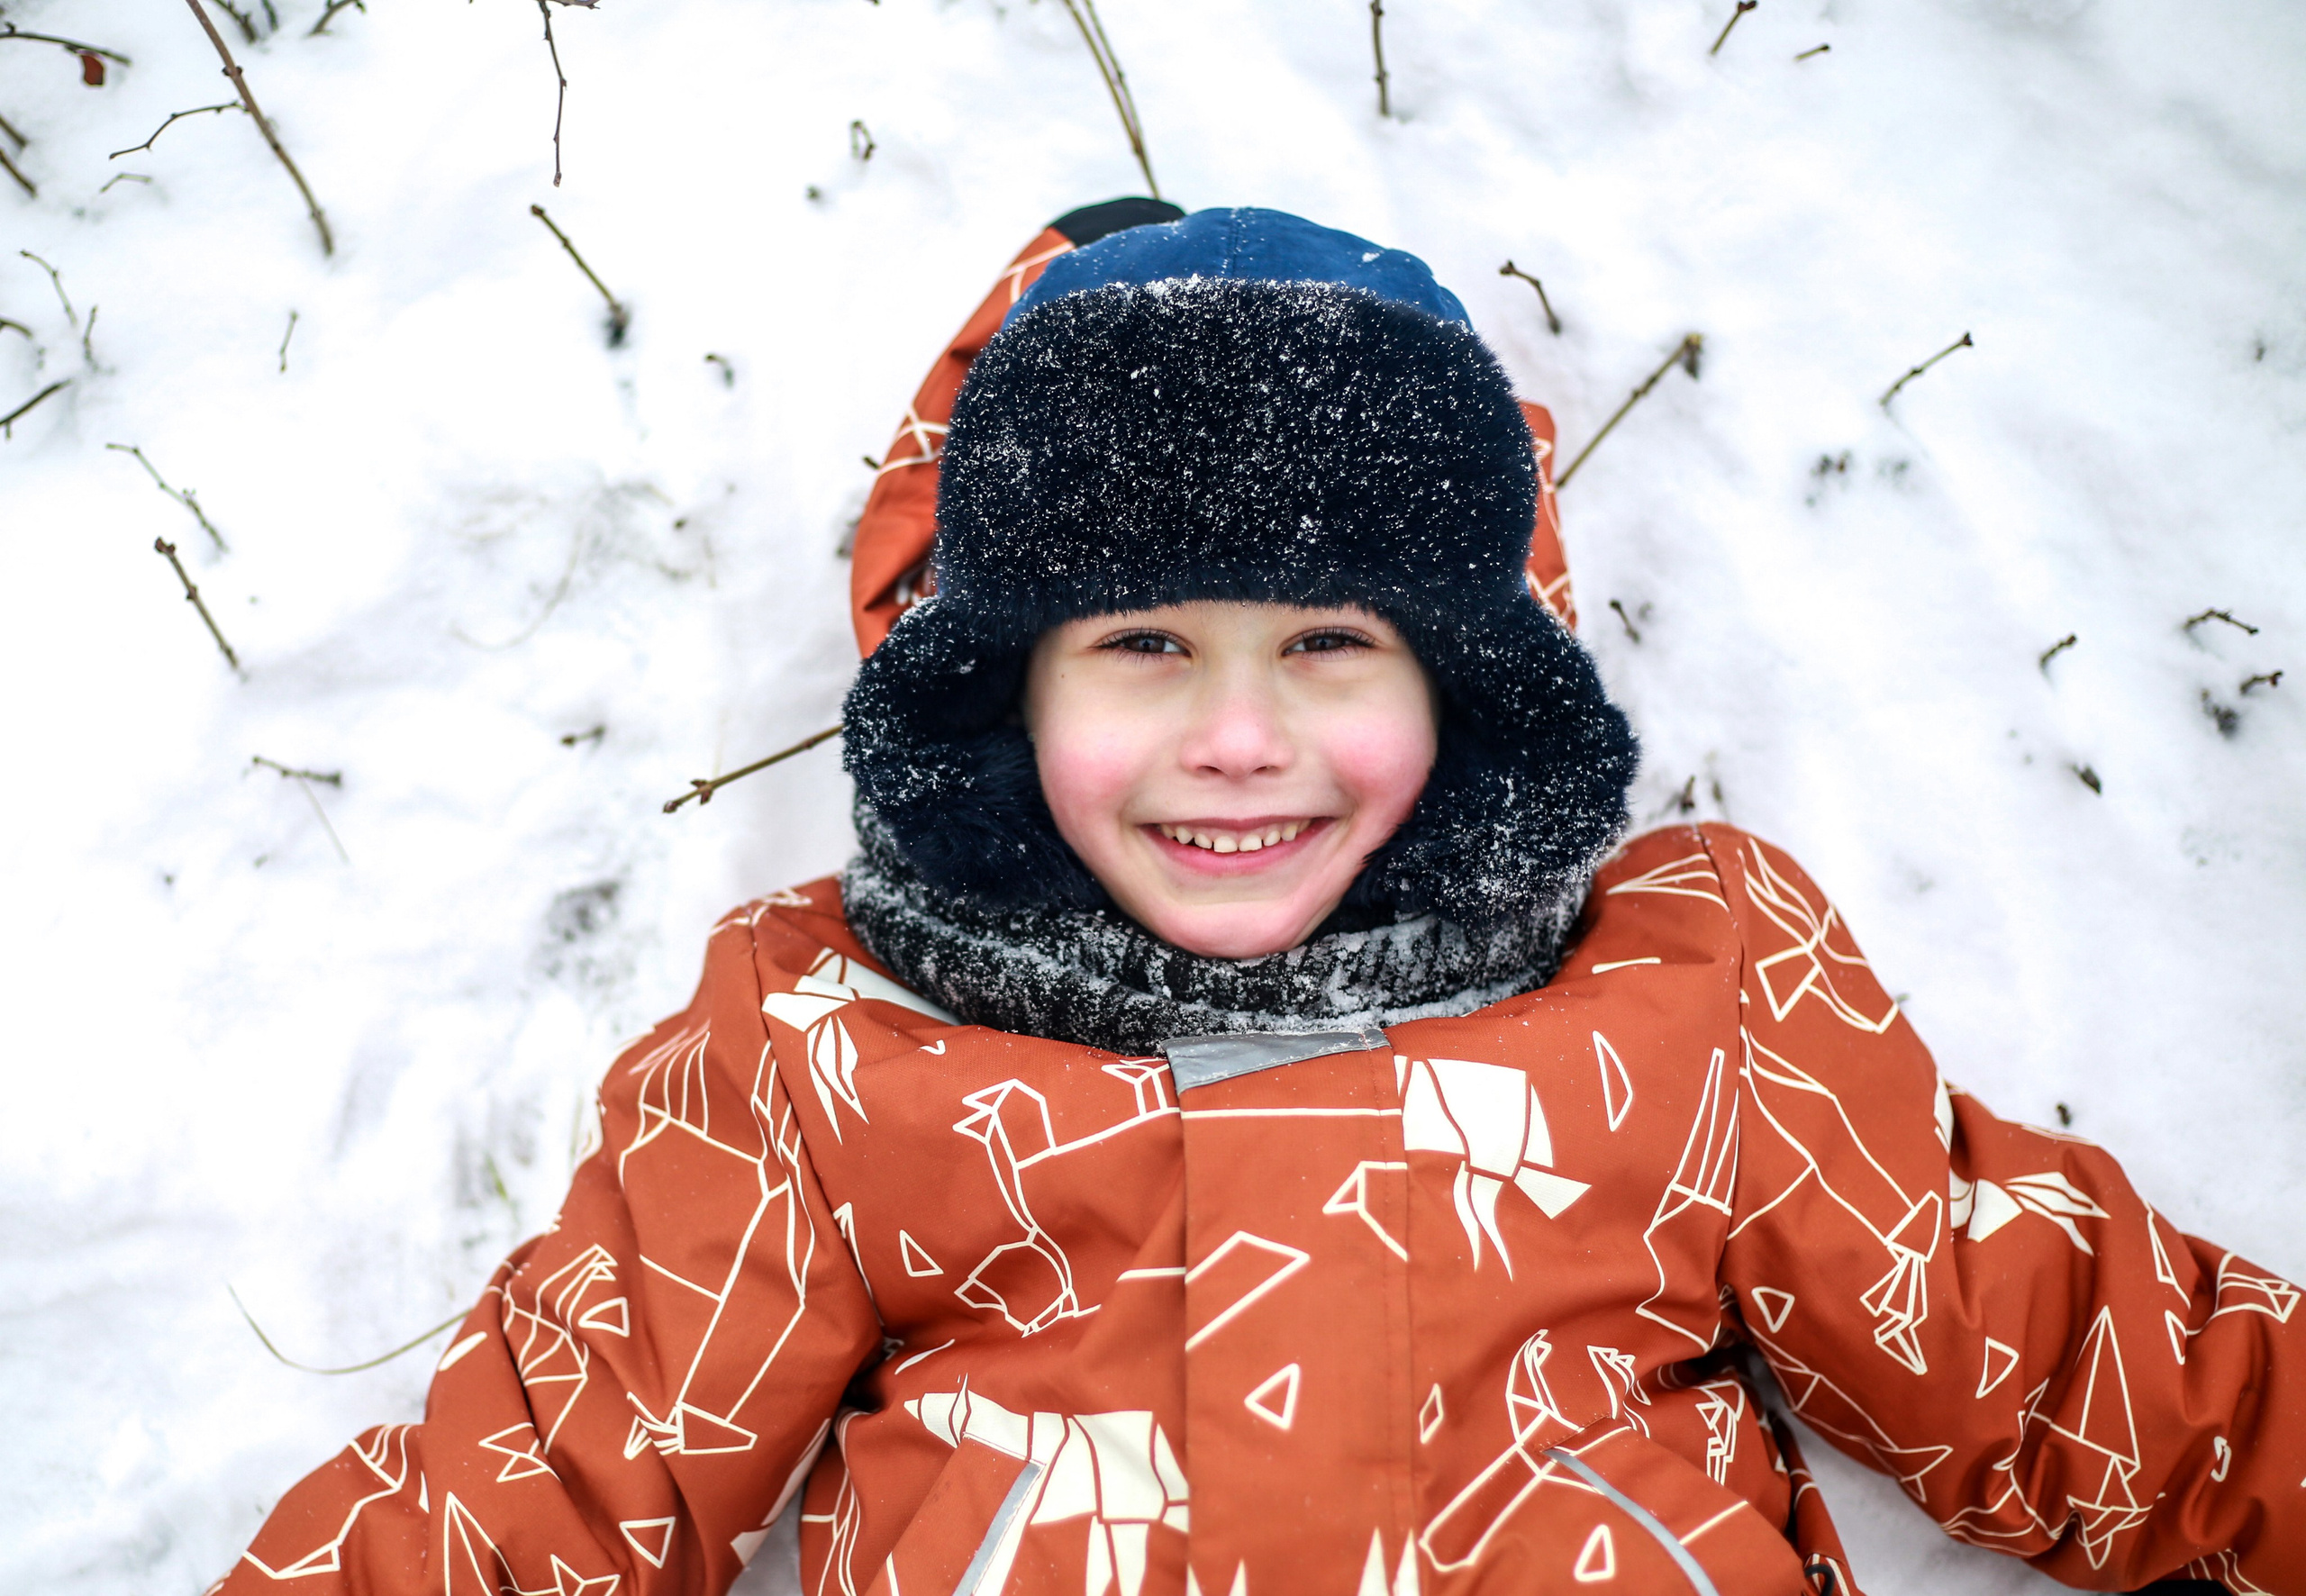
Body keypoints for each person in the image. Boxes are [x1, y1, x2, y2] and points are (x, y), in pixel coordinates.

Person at [217, 204, 2302, 1596]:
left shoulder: (1687, 985)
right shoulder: (824, 1042)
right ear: (999, 685)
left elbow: (2054, 1358)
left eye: (1327, 642)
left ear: (1465, 685)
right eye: (1136, 645)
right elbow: (553, 1482)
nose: (1236, 740)